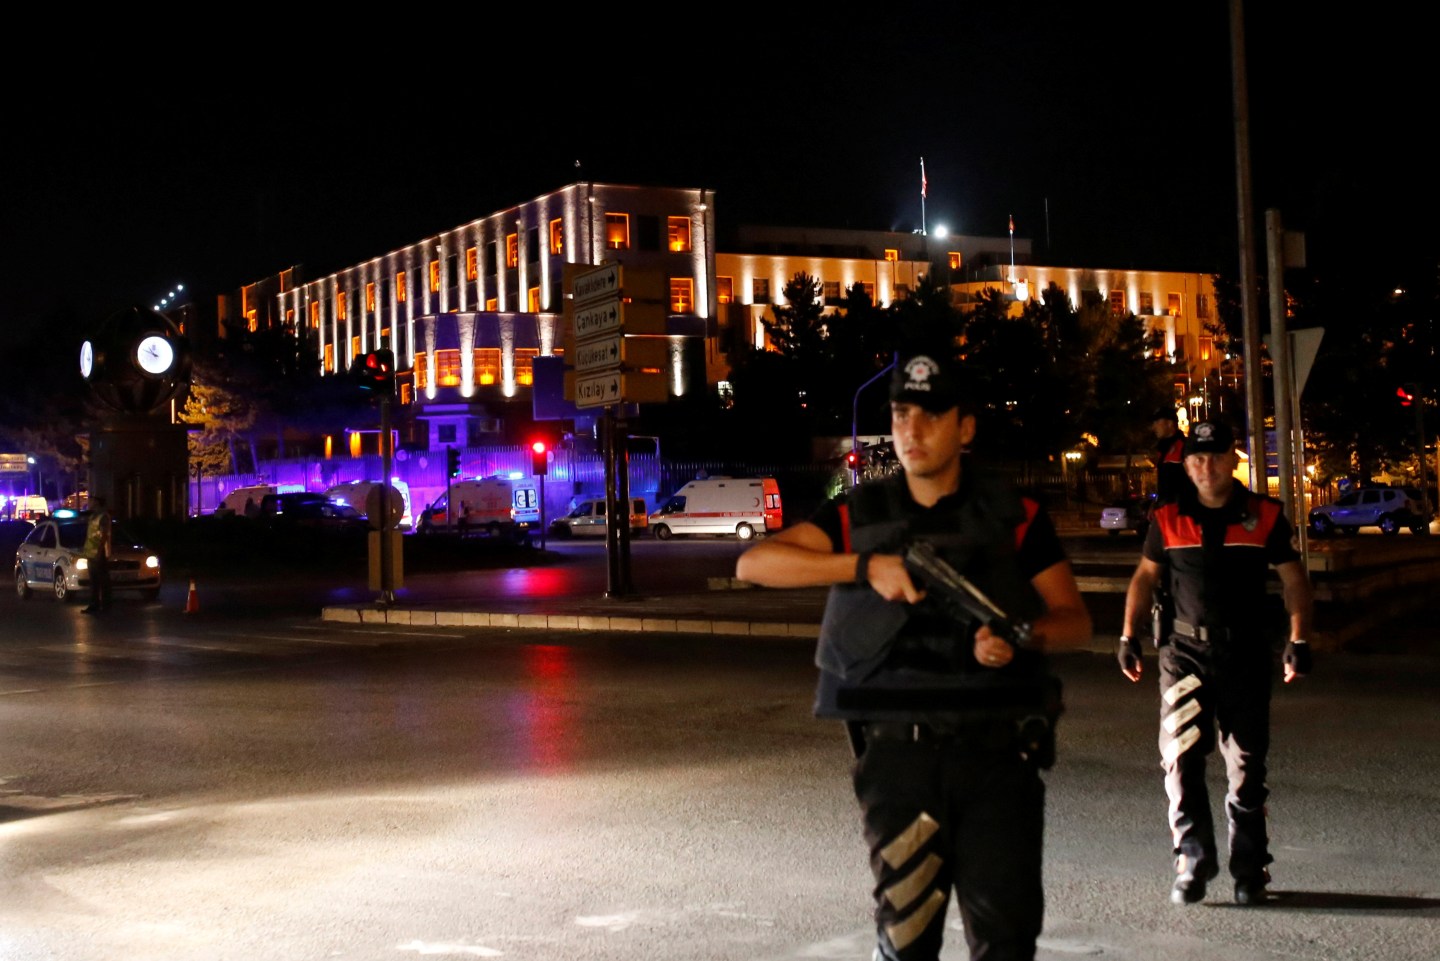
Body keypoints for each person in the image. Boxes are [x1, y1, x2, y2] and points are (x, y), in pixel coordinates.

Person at [736, 346, 1092, 961]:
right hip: (900, 760)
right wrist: (864, 566)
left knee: (1006, 943)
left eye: (929, 415)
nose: (912, 430)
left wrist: (1022, 637)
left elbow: (1075, 621)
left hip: (998, 759)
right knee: (905, 943)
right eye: (901, 414)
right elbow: (754, 563)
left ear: (966, 426)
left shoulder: (1015, 516)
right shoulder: (859, 513)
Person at [1116, 420, 1314, 907]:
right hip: (1183, 655)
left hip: (1245, 653)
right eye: (1196, 459)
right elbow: (1144, 578)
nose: (1205, 467)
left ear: (1233, 460)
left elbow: (1293, 578)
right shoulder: (1166, 518)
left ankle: (1250, 870)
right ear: (1186, 466)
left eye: (1215, 457)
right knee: (1181, 757)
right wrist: (1127, 636)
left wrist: (1299, 638)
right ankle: (1192, 858)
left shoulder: (1263, 516)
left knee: (1246, 764)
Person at [81, 496, 113, 614]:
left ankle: (105, 605)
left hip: (99, 553)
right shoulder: (93, 516)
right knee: (94, 581)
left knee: (102, 580)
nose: (89, 503)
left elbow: (104, 535)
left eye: (91, 501)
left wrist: (100, 552)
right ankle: (94, 604)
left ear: (97, 502)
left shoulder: (103, 516)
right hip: (91, 553)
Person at [1150, 406, 1189, 504]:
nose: (1154, 427)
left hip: (1180, 510)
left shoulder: (1184, 446)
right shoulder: (1161, 449)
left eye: (1157, 422)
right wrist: (1155, 504)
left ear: (1170, 423)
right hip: (1164, 510)